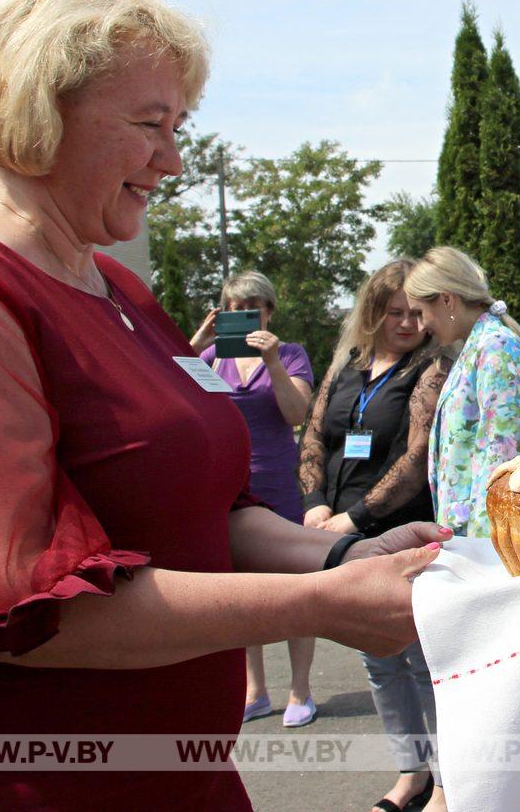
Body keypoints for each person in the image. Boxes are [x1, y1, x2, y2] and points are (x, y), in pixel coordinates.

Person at [0, 0, 446, 811]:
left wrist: (346, 555)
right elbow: (28, 612)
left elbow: (211, 513)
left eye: (179, 125)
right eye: (149, 125)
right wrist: (321, 601)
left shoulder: (117, 290)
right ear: (41, 115)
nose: (174, 157)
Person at [297, 259, 449, 812]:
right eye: (395, 313)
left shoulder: (429, 368)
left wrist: (355, 518)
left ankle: (446, 778)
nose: (408, 324)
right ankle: (411, 773)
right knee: (378, 665)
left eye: (416, 313)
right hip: (338, 533)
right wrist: (315, 505)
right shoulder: (348, 369)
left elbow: (417, 456)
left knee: (419, 658)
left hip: (397, 530)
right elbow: (315, 436)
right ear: (372, 313)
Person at [188, 270, 319, 726]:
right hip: (228, 486)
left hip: (279, 484)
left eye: (253, 310)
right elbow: (169, 394)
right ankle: (255, 690)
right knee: (241, 588)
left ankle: (300, 690)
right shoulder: (210, 357)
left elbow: (297, 413)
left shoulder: (291, 355)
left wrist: (273, 363)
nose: (243, 319)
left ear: (269, 313)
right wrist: (195, 342)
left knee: (296, 585)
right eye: (234, 310)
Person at [404, 247, 520, 539]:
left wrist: (484, 550)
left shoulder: (496, 347)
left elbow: (501, 453)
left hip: (488, 543)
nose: (420, 326)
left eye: (420, 312)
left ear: (446, 299)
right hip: (469, 537)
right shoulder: (477, 348)